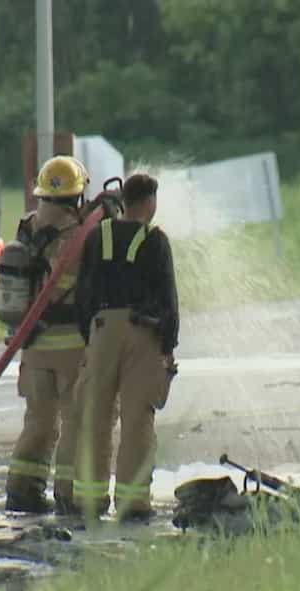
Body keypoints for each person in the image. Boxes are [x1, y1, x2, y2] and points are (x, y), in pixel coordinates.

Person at [73, 173, 180, 522]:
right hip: (142, 335)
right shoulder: (156, 240)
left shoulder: (96, 235)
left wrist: (91, 337)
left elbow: (82, 292)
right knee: (137, 420)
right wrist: (168, 346)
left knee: (95, 416)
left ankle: (89, 499)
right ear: (148, 203)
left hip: (101, 330)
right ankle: (133, 504)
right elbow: (168, 299)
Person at [4, 156, 91, 515]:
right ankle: (68, 495)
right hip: (71, 345)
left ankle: (23, 491)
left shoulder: (27, 228)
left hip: (34, 346)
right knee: (74, 422)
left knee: (38, 422)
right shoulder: (81, 234)